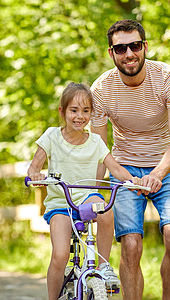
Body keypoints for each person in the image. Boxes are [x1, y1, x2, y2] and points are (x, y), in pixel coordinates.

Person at [90, 19, 170, 300]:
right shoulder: (101, 89)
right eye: (120, 49)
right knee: (131, 245)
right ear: (111, 53)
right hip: (124, 169)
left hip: (165, 167)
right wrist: (94, 192)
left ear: (145, 47)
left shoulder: (168, 77)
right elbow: (99, 148)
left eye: (134, 46)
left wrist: (157, 174)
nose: (129, 54)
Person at [27, 82, 146, 300]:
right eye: (74, 110)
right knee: (60, 255)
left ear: (91, 113)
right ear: (62, 111)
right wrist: (35, 175)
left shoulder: (95, 142)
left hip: (86, 197)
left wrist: (133, 180)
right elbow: (35, 166)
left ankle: (102, 267)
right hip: (61, 203)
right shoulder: (52, 136)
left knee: (106, 210)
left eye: (86, 111)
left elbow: (116, 168)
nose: (79, 116)